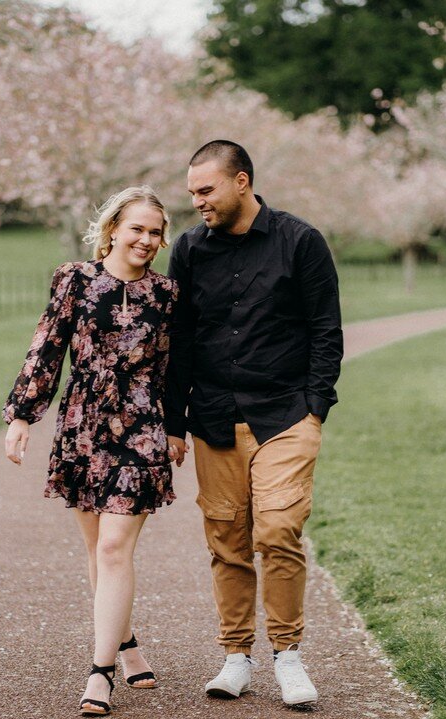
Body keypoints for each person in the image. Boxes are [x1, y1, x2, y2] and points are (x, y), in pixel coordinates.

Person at [164, 141, 343, 708]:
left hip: (286, 415)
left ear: (241, 182)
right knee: (227, 541)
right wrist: (173, 422)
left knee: (276, 531)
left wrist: (315, 405)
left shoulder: (301, 241)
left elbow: (325, 330)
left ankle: (288, 656)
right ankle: (236, 657)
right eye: (192, 192)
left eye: (205, 190)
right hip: (214, 419)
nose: (197, 203)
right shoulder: (190, 249)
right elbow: (180, 340)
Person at [2, 186, 180, 716]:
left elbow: (174, 366)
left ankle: (99, 671)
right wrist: (21, 416)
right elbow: (47, 346)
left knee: (112, 548)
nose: (147, 240)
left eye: (156, 232)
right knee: (96, 549)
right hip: (83, 426)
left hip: (143, 425)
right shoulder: (74, 279)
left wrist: (178, 428)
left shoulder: (168, 294)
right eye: (138, 229)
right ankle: (125, 644)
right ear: (112, 229)